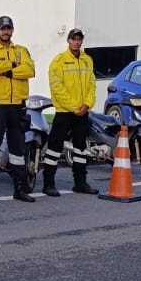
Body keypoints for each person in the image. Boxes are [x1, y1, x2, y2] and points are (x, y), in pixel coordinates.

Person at [0, 15, 36, 205]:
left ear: (12, 30)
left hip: (17, 107)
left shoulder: (21, 50)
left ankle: (19, 189)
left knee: (18, 150)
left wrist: (8, 71)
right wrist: (14, 65)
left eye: (8, 28)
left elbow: (30, 70)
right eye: (2, 28)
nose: (6, 32)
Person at [42, 28, 99, 197]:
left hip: (82, 112)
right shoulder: (58, 61)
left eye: (79, 39)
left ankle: (80, 183)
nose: (76, 42)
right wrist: (75, 107)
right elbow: (57, 88)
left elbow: (92, 86)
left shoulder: (88, 60)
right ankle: (48, 184)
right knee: (54, 148)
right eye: (73, 39)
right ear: (68, 40)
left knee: (81, 149)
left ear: (82, 41)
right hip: (64, 112)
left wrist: (87, 104)